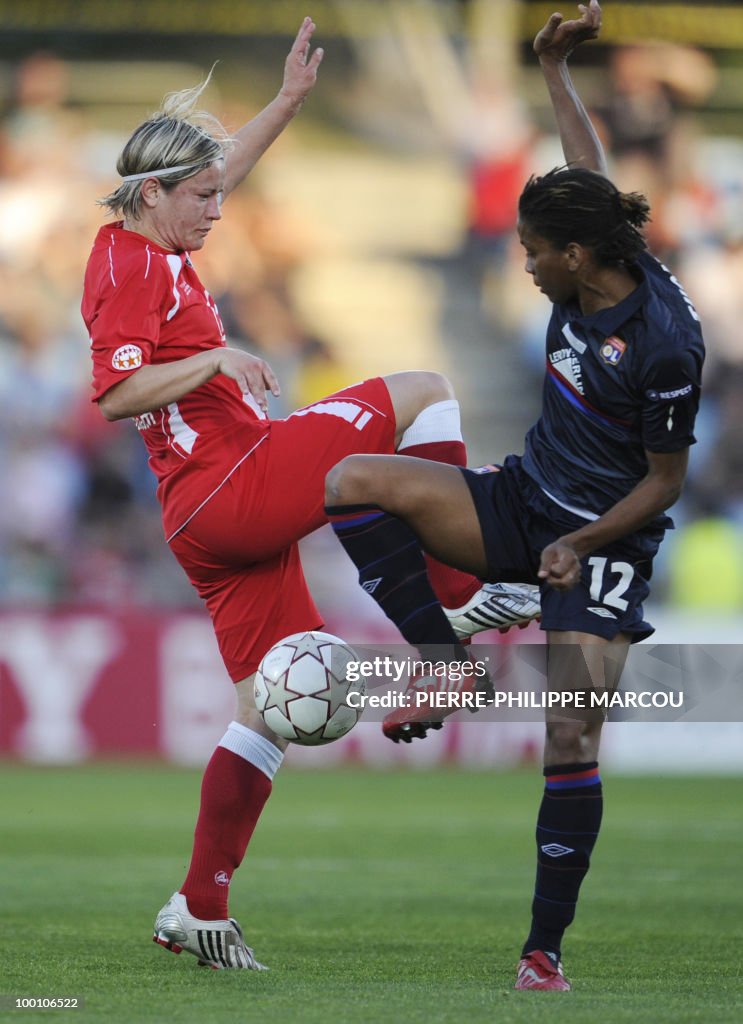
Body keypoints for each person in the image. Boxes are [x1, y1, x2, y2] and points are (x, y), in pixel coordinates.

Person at [81, 18, 540, 971]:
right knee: (422, 391)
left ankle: (196, 905)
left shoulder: (152, 239)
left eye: (217, 192)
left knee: (264, 710)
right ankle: (457, 599)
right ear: (153, 192)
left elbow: (219, 172)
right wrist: (214, 354)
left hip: (207, 522)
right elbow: (117, 393)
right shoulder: (126, 266)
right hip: (228, 482)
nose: (218, 209)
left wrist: (286, 104)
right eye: (201, 196)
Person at [324, 0, 704, 991]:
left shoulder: (664, 341)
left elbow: (664, 481)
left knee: (569, 728)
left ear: (573, 255)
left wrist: (579, 544)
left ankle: (542, 951)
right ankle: (445, 660)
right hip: (524, 497)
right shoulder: (597, 255)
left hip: (606, 541)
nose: (523, 259)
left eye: (533, 249)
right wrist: (551, 69)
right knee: (353, 483)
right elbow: (590, 177)